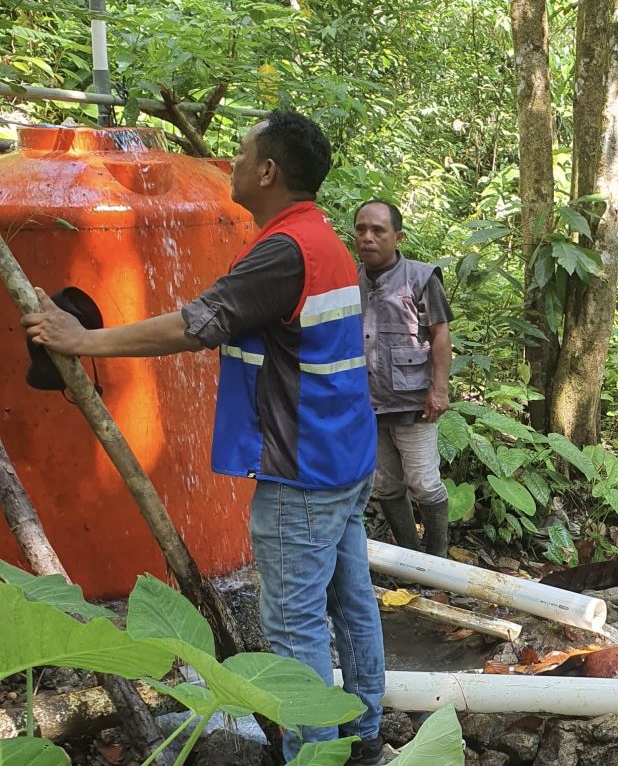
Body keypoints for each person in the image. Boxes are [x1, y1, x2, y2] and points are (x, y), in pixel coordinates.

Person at [22, 110, 386, 765]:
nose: (232, 163)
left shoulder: (283, 252)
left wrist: (83, 340)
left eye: (242, 153)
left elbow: (194, 325)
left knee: (295, 624)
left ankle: (314, 756)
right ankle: (363, 739)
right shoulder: (320, 238)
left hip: (303, 472)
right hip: (345, 458)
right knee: (353, 604)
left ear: (269, 171)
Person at [353, 199, 453, 557]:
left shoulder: (421, 278)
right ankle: (410, 558)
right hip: (368, 404)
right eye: (361, 229)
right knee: (387, 485)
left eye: (378, 230)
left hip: (414, 402)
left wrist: (439, 390)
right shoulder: (350, 282)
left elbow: (440, 334)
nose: (367, 237)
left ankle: (438, 559)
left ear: (398, 237)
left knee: (424, 484)